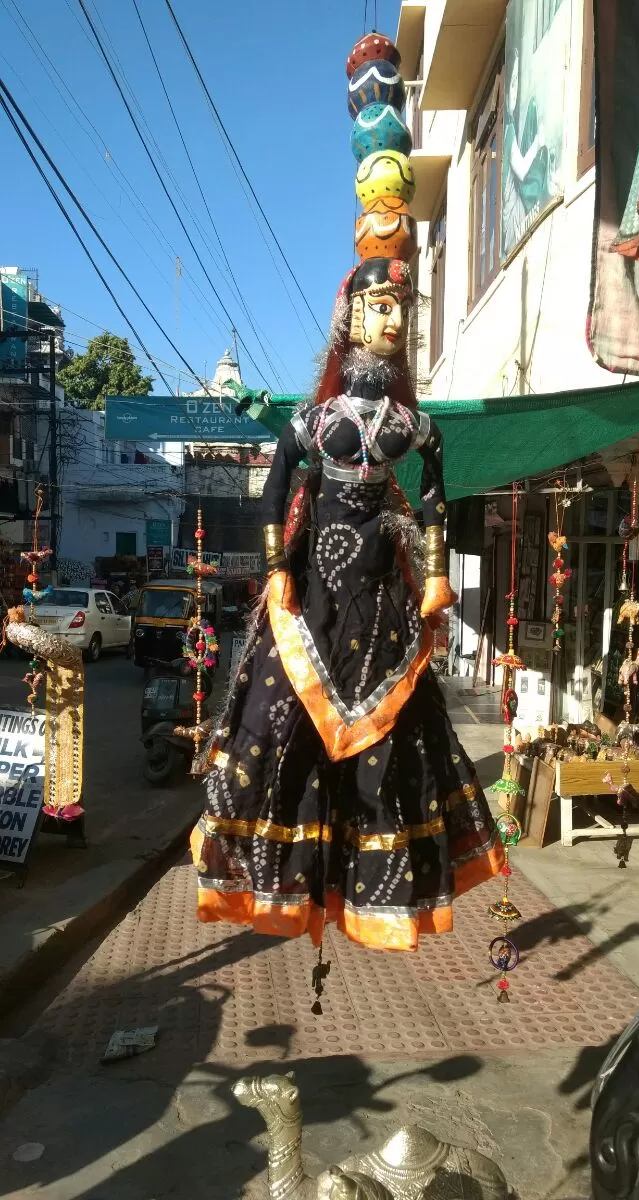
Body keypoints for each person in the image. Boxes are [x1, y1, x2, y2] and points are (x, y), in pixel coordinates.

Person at [190, 256, 503, 954]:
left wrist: (432, 574)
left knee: (394, 744)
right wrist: (277, 573)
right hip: (311, 598)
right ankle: (276, 880)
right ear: (350, 317)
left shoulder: (415, 428)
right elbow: (273, 497)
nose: (392, 318)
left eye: (400, 307)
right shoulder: (310, 421)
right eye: (380, 305)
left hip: (384, 599)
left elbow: (432, 503)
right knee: (275, 724)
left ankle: (372, 890)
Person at [502, 46, 550, 256]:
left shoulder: (510, 125)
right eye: (511, 85)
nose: (514, 91)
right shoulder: (508, 129)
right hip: (512, 212)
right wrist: (538, 142)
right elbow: (520, 169)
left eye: (516, 84)